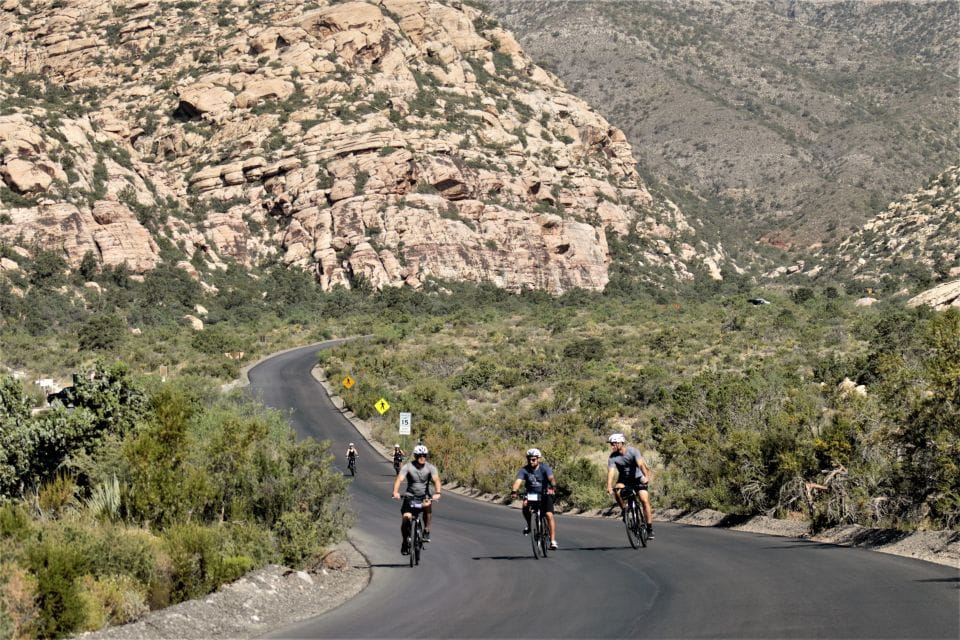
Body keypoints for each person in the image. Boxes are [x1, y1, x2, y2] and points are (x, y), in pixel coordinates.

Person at [392, 444, 441, 554]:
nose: (422, 457)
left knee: (428, 505)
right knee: (406, 518)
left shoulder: (430, 467)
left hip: (424, 497)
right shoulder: (408, 467)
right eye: (419, 455)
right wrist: (395, 492)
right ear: (415, 456)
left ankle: (427, 530)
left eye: (424, 455)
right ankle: (405, 541)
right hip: (410, 497)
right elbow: (399, 479)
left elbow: (436, 480)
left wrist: (437, 493)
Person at [606, 433, 655, 539]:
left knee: (644, 500)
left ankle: (649, 528)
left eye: (613, 443)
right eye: (611, 444)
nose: (612, 446)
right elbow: (611, 472)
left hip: (638, 478)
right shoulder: (612, 457)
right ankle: (624, 511)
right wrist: (609, 486)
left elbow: (641, 465)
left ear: (620, 443)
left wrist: (646, 477)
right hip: (624, 480)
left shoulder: (633, 451)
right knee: (617, 491)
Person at [510, 448, 558, 550]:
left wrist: (553, 486)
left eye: (533, 459)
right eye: (529, 459)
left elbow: (551, 478)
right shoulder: (524, 470)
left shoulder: (545, 468)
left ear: (538, 459)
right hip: (531, 494)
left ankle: (553, 541)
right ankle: (529, 525)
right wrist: (514, 491)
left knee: (549, 515)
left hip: (545, 494)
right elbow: (518, 481)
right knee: (525, 505)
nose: (531, 461)